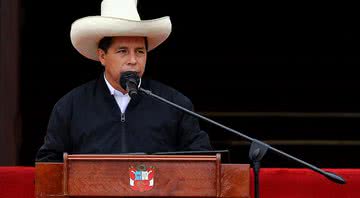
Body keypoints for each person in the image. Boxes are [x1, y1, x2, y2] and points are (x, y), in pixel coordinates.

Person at [36, 0, 212, 162]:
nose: (133, 60)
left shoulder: (175, 104)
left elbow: (202, 160)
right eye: (123, 51)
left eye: (140, 52)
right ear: (102, 56)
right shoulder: (71, 106)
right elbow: (49, 164)